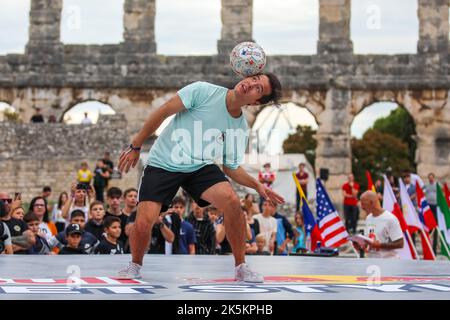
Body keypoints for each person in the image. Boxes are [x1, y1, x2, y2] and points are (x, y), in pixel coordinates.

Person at [117, 73, 284, 281]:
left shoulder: (240, 127)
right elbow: (162, 112)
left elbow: (231, 167)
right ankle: (135, 264)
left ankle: (241, 266)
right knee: (144, 221)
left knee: (232, 201)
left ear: (255, 102)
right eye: (254, 78)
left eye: (258, 88)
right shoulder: (202, 91)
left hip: (200, 166)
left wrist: (258, 185)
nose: (250, 84)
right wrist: (136, 145)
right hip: (164, 161)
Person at [354, 191, 404, 259]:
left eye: (363, 204)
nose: (362, 207)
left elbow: (400, 243)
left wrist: (380, 245)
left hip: (389, 263)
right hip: (373, 264)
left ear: (372, 203)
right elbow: (370, 239)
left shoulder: (390, 219)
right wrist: (361, 245)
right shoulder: (368, 218)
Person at [425, 173, 438, 253]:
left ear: (434, 178)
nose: (430, 179)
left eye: (431, 178)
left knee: (435, 225)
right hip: (428, 206)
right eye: (429, 178)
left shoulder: (437, 185)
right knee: (429, 225)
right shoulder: (426, 186)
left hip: (435, 205)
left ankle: (434, 249)